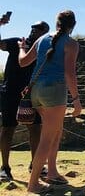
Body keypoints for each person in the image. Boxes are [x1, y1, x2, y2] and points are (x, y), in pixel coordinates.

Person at [18, 10, 82, 194]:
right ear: (73, 25)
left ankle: (52, 172)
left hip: (36, 90)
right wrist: (76, 100)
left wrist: (22, 47)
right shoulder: (71, 44)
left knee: (56, 130)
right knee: (47, 138)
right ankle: (33, 184)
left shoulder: (41, 39)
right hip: (54, 91)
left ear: (57, 23)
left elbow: (23, 62)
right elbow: (69, 73)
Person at [0, 17, 50, 181]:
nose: (34, 30)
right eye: (33, 27)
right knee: (8, 128)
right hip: (10, 92)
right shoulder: (17, 43)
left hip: (32, 93)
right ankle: (5, 168)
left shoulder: (44, 49)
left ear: (44, 33)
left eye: (39, 29)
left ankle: (35, 165)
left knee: (35, 129)